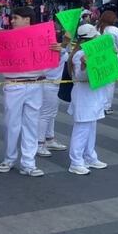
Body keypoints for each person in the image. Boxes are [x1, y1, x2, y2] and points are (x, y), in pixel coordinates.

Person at [0, 6, 62, 177]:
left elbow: (51, 65)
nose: (12, 21)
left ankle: (28, 162)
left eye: (15, 17)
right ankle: (9, 158)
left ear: (27, 19)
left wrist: (57, 50)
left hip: (35, 84)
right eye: (12, 18)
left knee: (31, 125)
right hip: (13, 84)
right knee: (11, 124)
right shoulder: (5, 38)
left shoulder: (43, 38)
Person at [67, 24, 110, 174]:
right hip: (84, 96)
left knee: (91, 128)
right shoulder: (79, 55)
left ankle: (90, 156)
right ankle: (76, 161)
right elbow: (80, 76)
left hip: (94, 95)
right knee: (82, 129)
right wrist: (85, 65)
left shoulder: (94, 52)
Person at [37, 23, 69, 159]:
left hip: (52, 84)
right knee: (45, 114)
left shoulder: (59, 50)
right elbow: (64, 52)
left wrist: (65, 44)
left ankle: (49, 139)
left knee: (51, 113)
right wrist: (65, 44)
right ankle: (39, 143)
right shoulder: (57, 50)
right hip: (49, 84)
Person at [98, 9, 118, 114]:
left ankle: (100, 104)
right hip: (112, 58)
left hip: (100, 59)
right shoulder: (115, 30)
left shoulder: (98, 28)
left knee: (101, 83)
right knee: (110, 84)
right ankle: (107, 106)